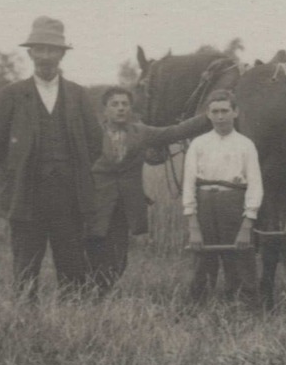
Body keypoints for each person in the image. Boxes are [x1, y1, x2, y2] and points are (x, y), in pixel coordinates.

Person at [0, 16, 103, 300]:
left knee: (72, 259)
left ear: (62, 54)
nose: (46, 56)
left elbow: (95, 142)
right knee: (26, 260)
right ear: (30, 53)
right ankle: (25, 318)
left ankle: (73, 318)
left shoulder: (78, 94)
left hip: (69, 194)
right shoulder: (11, 94)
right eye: (40, 49)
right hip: (26, 193)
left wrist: (76, 172)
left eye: (52, 50)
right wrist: (11, 175)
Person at [86, 87, 210, 294]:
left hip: (126, 203)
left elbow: (174, 132)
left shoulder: (141, 132)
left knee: (118, 252)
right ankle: (90, 290)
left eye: (124, 104)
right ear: (105, 109)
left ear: (130, 108)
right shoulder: (91, 132)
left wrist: (209, 115)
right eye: (115, 104)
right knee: (94, 243)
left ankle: (104, 289)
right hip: (96, 202)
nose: (120, 109)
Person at [182, 90, 262, 305]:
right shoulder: (198, 144)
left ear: (235, 112)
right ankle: (198, 306)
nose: (220, 116)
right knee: (202, 257)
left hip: (233, 203)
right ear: (208, 114)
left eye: (225, 111)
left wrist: (248, 222)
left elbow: (255, 185)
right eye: (215, 111)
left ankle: (244, 306)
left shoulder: (246, 144)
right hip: (205, 203)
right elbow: (188, 183)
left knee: (240, 256)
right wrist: (193, 224)